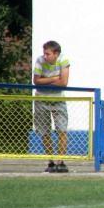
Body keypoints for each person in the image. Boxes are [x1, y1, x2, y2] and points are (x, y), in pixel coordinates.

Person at [33, 41, 71, 173]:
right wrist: (55, 78)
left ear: (56, 54)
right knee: (45, 132)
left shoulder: (63, 60)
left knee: (62, 130)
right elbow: (36, 81)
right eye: (44, 53)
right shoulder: (39, 60)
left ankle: (60, 162)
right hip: (42, 100)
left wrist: (46, 80)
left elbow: (64, 82)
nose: (45, 56)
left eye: (48, 53)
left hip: (58, 100)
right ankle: (51, 162)